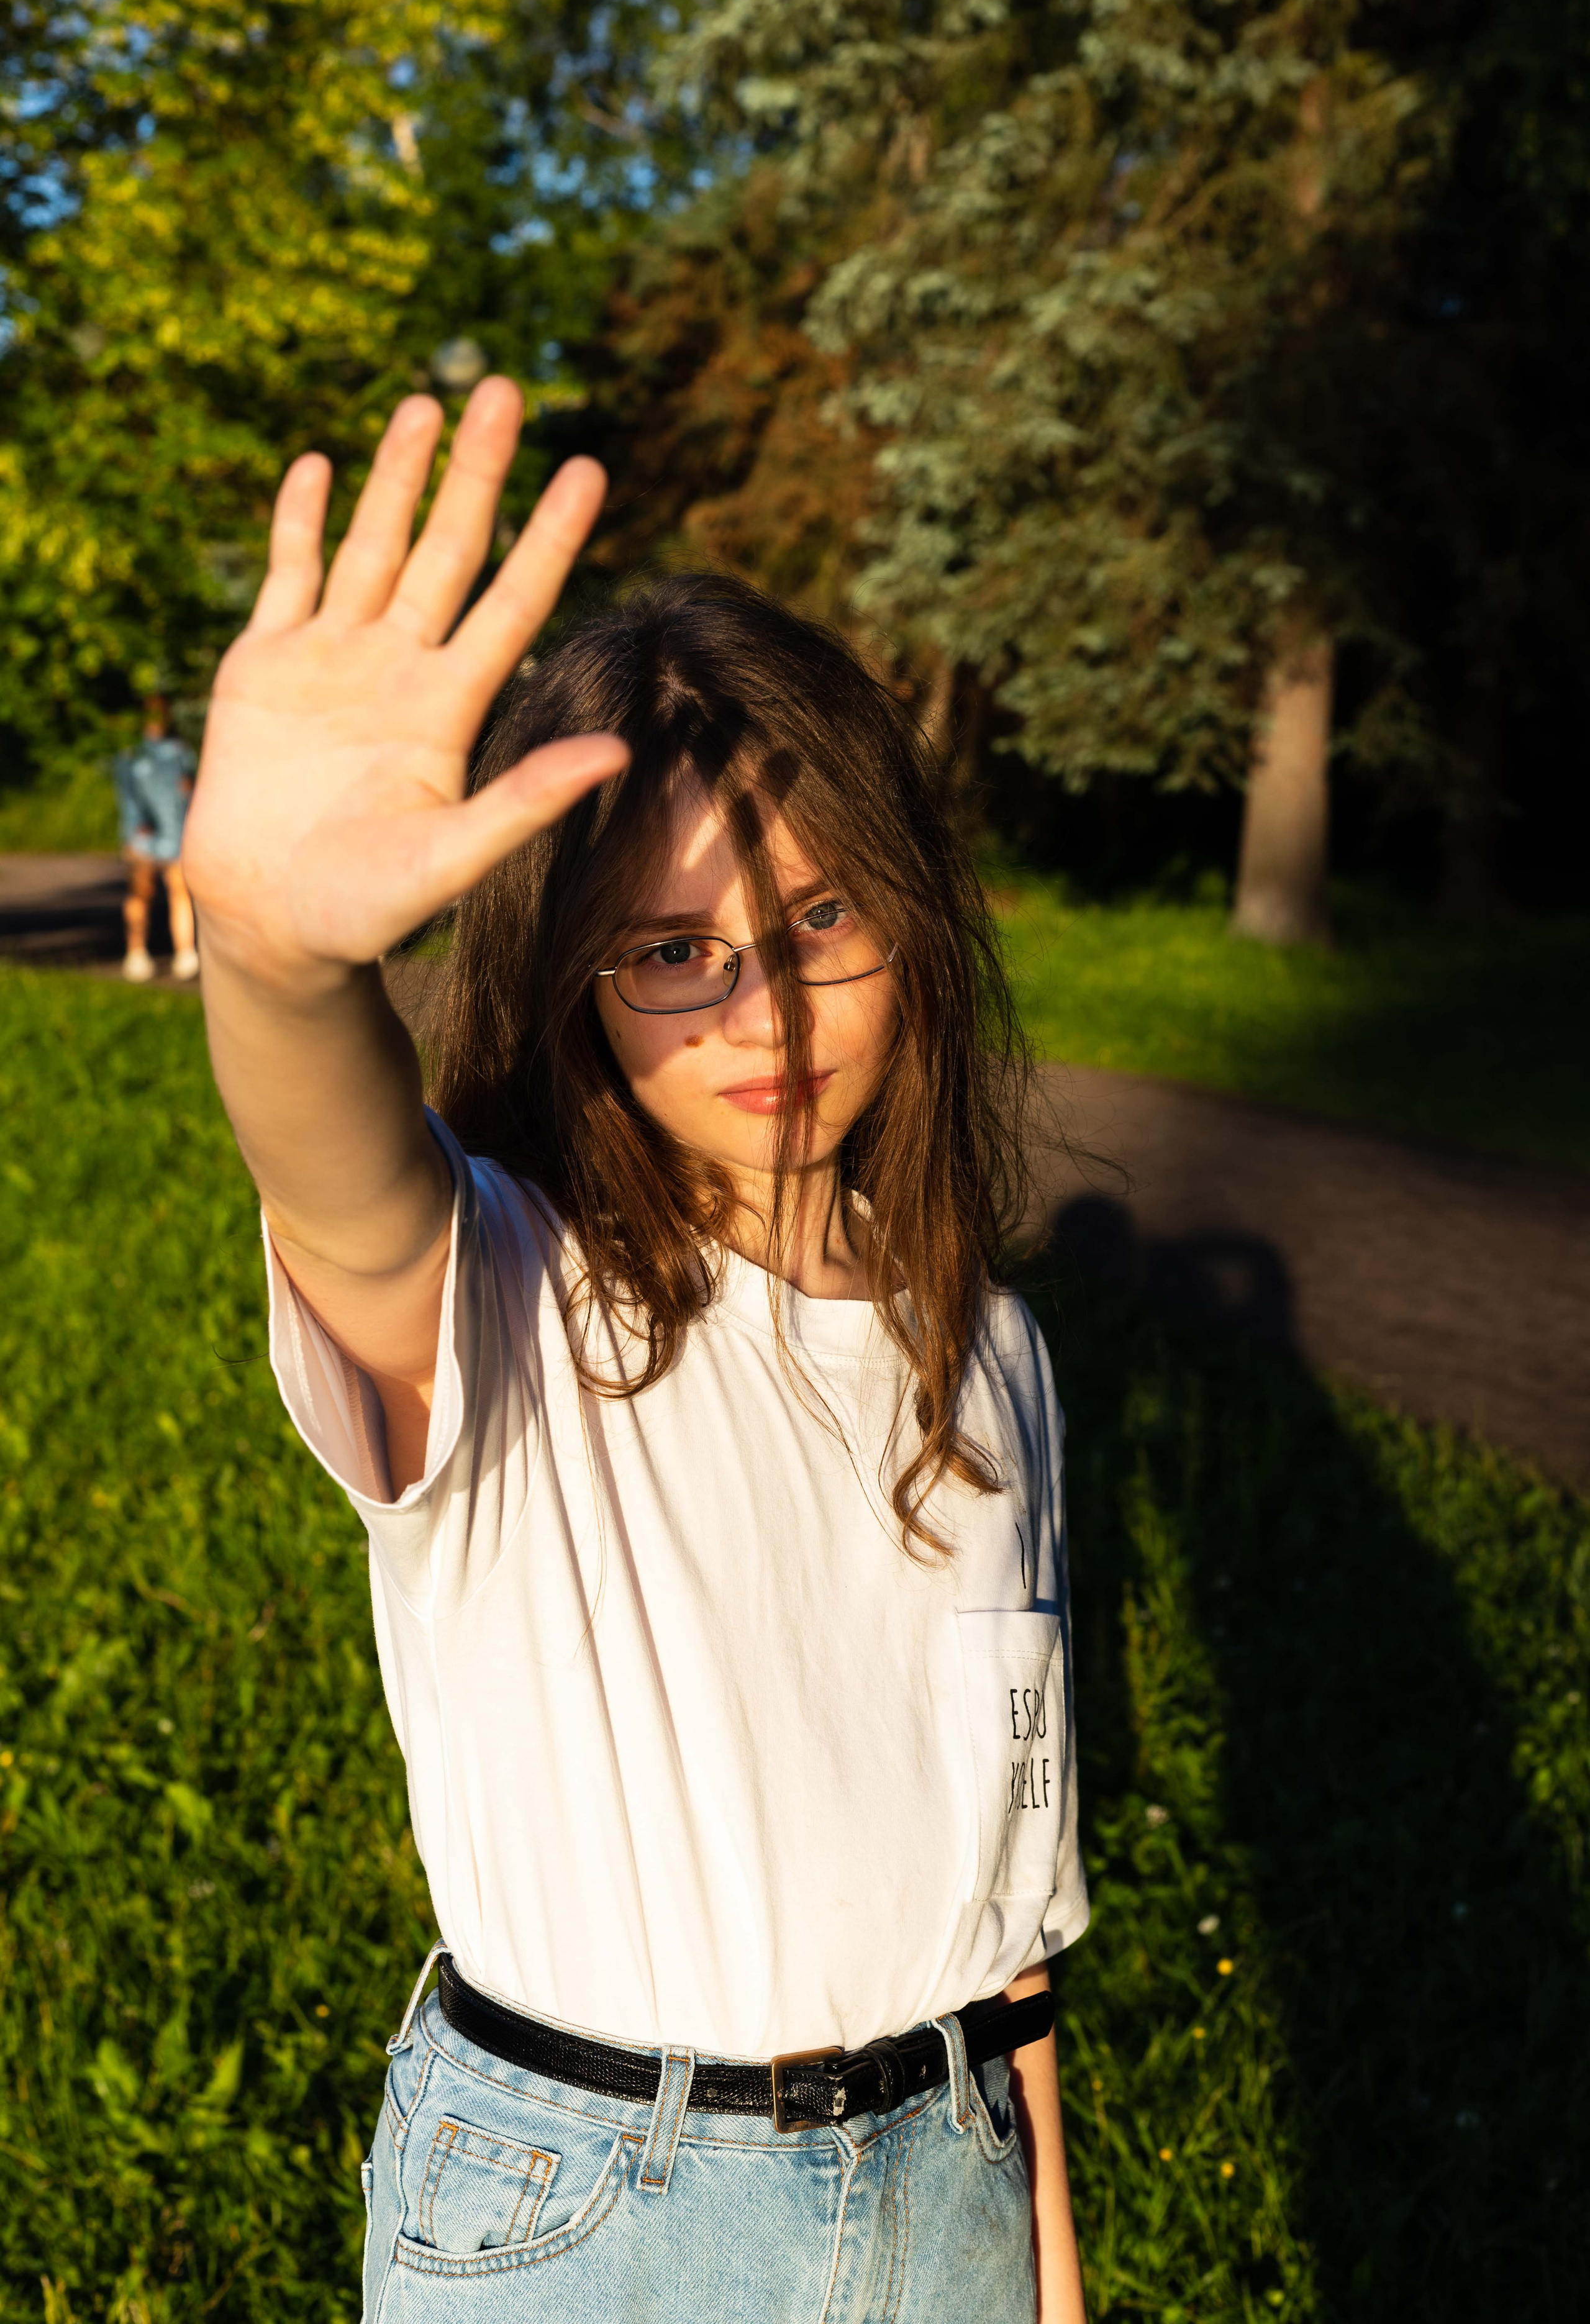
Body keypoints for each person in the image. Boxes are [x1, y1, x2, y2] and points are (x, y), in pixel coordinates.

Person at [183, 380, 1091, 2323]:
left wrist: (1045, 2275)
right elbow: (342, 1182)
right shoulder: (506, 1296)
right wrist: (273, 964)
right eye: (672, 946)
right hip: (600, 2213)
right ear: (570, 973)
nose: (761, 1002)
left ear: (913, 923)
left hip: (948, 2179)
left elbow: (1008, 1919)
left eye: (817, 914)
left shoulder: (992, 1351)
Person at [113, 695, 199, 981]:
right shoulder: (132, 754)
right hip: (144, 836)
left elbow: (190, 790)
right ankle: (136, 952)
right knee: (141, 892)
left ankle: (185, 953)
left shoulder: (179, 752)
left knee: (180, 890)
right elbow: (127, 797)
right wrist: (134, 829)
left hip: (177, 832)